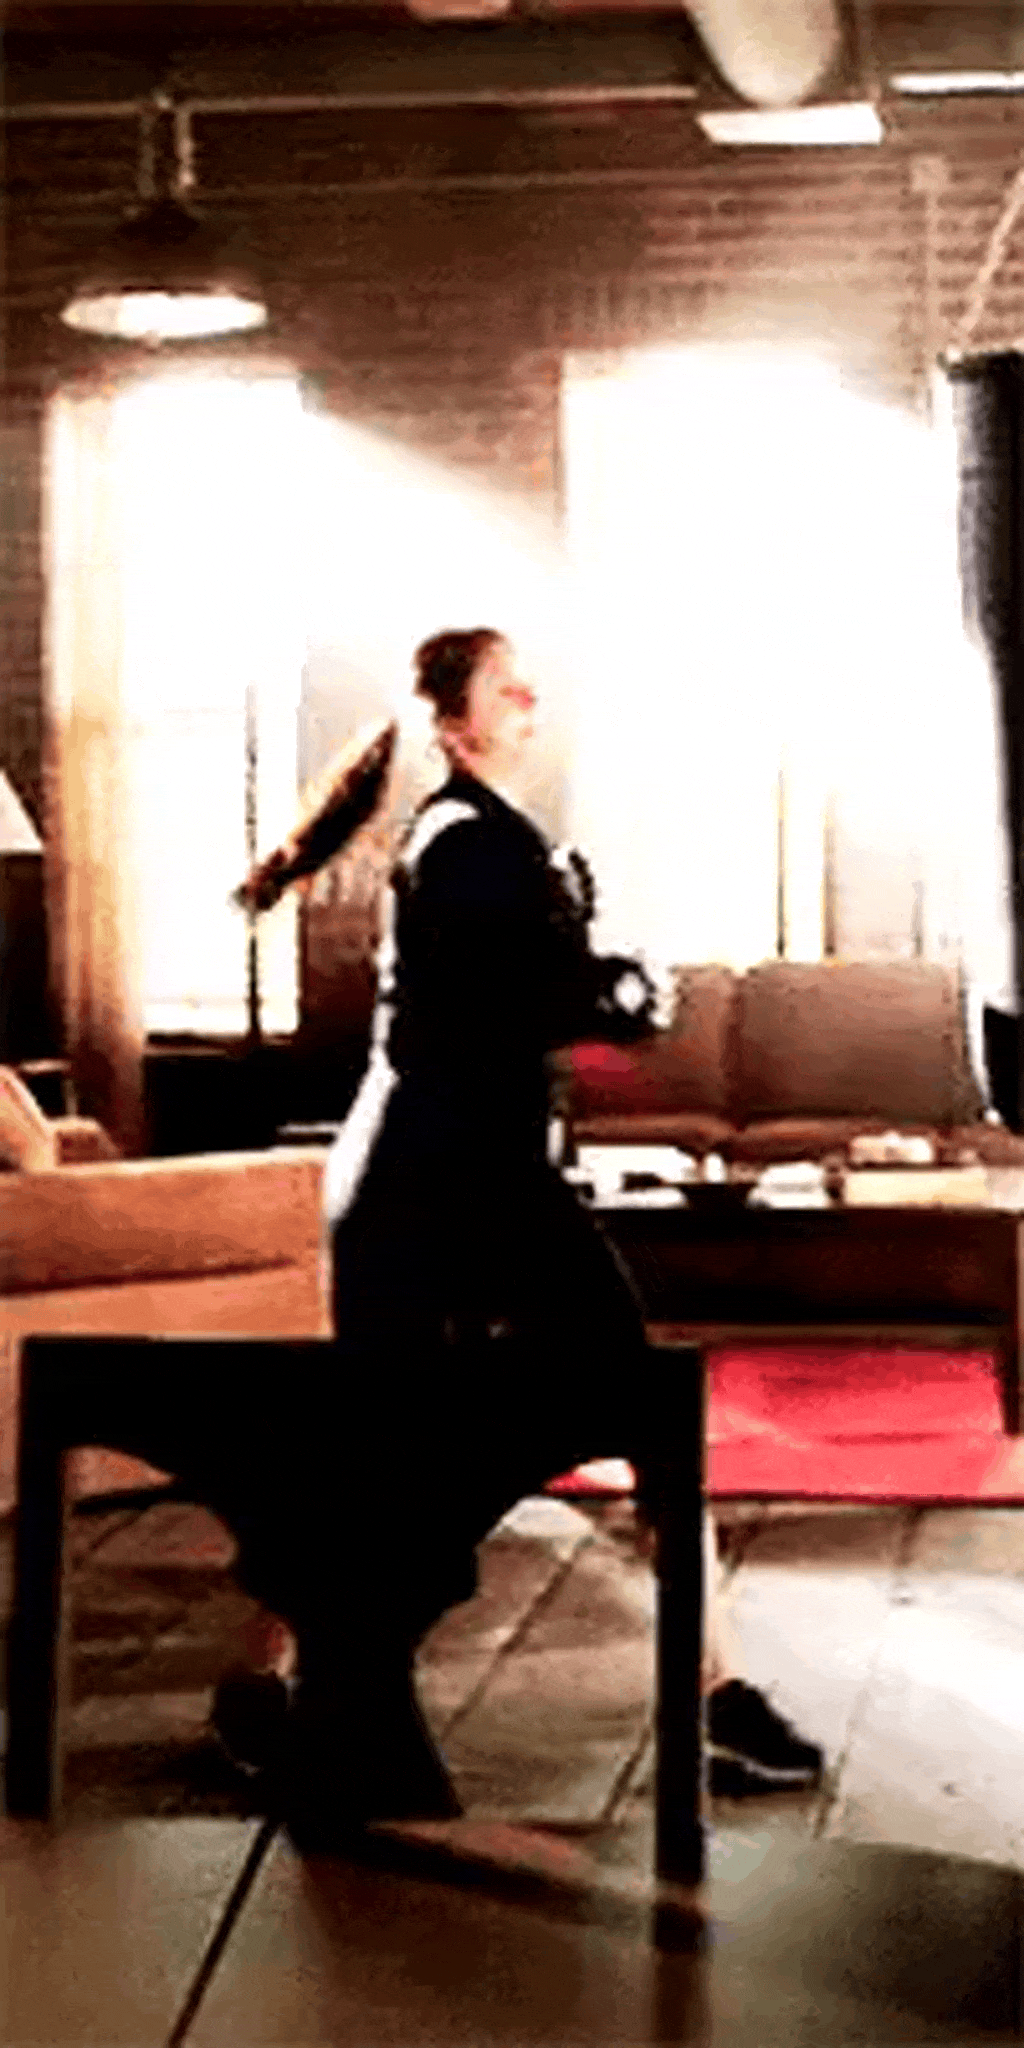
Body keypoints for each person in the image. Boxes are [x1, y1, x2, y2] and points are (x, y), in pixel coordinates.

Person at [216, 626, 822, 1833]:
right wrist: (628, 988)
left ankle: (262, 1684)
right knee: (623, 1412)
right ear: (454, 723)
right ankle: (710, 1691)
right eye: (504, 685)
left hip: (442, 1177)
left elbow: (510, 992)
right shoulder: (467, 840)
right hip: (446, 1184)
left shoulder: (471, 833)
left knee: (392, 1439)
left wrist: (602, 978)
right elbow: (529, 996)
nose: (531, 695)